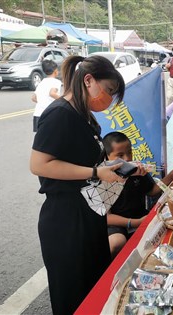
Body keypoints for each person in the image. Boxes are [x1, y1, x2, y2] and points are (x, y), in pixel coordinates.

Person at [30, 55, 128, 315]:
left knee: (93, 292)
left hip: (89, 214)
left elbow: (84, 159)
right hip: (66, 222)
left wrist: (105, 168)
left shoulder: (84, 116)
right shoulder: (60, 114)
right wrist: (96, 171)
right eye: (108, 91)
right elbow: (39, 164)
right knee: (73, 300)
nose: (108, 99)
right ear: (88, 80)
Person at [103, 132, 173, 258]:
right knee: (116, 242)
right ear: (107, 157)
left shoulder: (138, 170)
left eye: (129, 152)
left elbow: (152, 190)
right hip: (117, 224)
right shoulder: (103, 178)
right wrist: (135, 223)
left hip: (141, 215)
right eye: (120, 155)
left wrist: (169, 178)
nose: (127, 159)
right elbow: (107, 218)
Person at [31, 60, 62, 132]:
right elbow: (52, 93)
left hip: (38, 114)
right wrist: (63, 100)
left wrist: (42, 101)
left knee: (41, 138)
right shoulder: (56, 82)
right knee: (53, 136)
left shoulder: (41, 82)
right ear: (55, 71)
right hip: (49, 114)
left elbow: (33, 98)